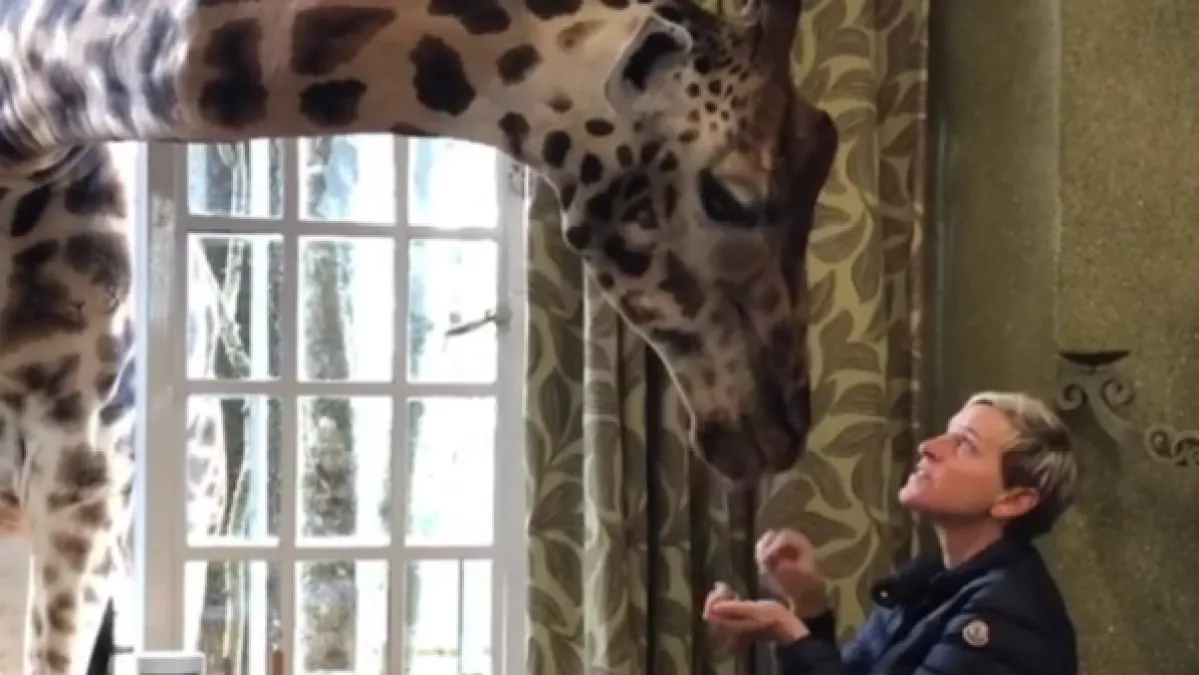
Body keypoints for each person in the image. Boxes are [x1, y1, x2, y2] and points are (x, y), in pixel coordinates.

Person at [703, 391, 1079, 674]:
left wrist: (787, 630)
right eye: (945, 434)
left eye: (964, 445)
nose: (928, 447)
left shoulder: (1007, 615)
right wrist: (807, 604)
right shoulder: (930, 582)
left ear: (1013, 500)